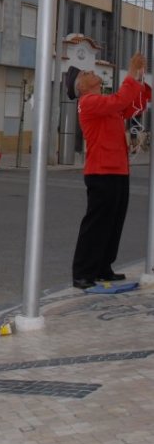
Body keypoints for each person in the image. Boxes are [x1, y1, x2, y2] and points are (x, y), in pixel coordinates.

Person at [68, 52, 151, 290]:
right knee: (96, 224)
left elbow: (133, 107)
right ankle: (83, 273)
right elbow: (120, 101)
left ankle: (103, 268)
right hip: (102, 172)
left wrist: (140, 80)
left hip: (117, 170)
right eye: (86, 73)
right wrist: (131, 74)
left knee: (113, 223)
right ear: (81, 87)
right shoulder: (89, 102)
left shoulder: (105, 103)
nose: (91, 72)